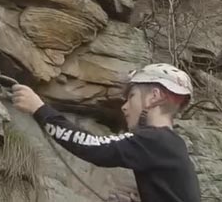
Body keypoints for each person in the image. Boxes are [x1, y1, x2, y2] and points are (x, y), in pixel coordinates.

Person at [11, 63, 201, 202]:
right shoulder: (171, 145)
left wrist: (40, 110)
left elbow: (93, 146)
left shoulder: (154, 140)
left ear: (154, 97)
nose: (125, 107)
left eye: (131, 96)